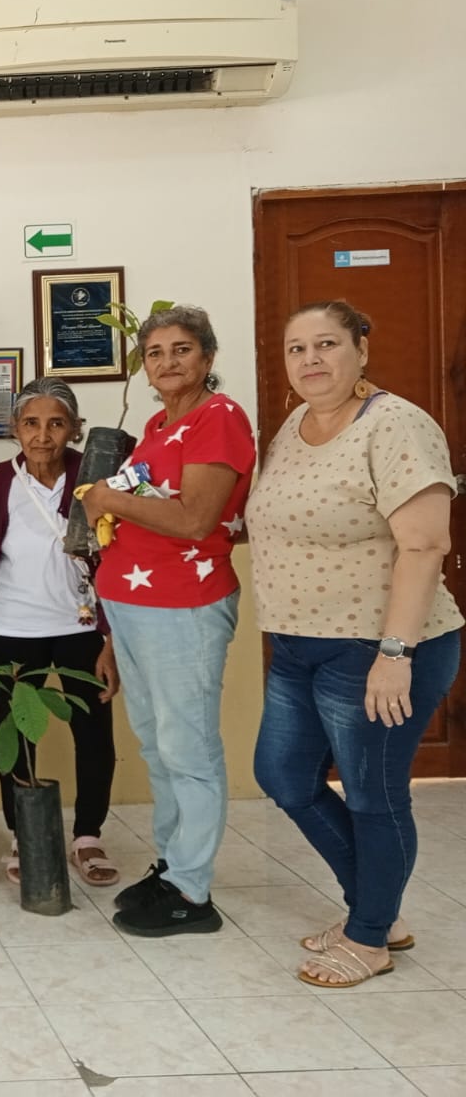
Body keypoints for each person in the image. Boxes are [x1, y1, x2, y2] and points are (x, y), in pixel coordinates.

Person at [249, 301, 462, 988]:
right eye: (297, 348)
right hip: (297, 645)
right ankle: (377, 910)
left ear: (361, 349)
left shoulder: (397, 425)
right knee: (283, 776)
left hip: (375, 647)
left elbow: (425, 545)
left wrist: (395, 655)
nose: (311, 359)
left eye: (327, 344)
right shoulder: (295, 426)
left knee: (374, 794)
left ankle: (369, 936)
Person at [81, 305, 255, 937]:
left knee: (189, 748)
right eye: (155, 353)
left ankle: (192, 890)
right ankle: (172, 864)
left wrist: (106, 497)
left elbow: (194, 520)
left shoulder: (219, 418)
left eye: (181, 349)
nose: (168, 362)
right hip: (135, 605)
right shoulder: (158, 424)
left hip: (184, 605)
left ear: (207, 357)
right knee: (158, 745)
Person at [0, 377, 120, 887]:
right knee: (15, 735)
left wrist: (111, 637)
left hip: (81, 627)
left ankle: (88, 835)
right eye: (31, 423)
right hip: (10, 628)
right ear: (15, 428)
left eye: (56, 423)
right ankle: (24, 833)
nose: (42, 435)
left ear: (75, 429)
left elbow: (118, 555)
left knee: (94, 732)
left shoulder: (96, 478)